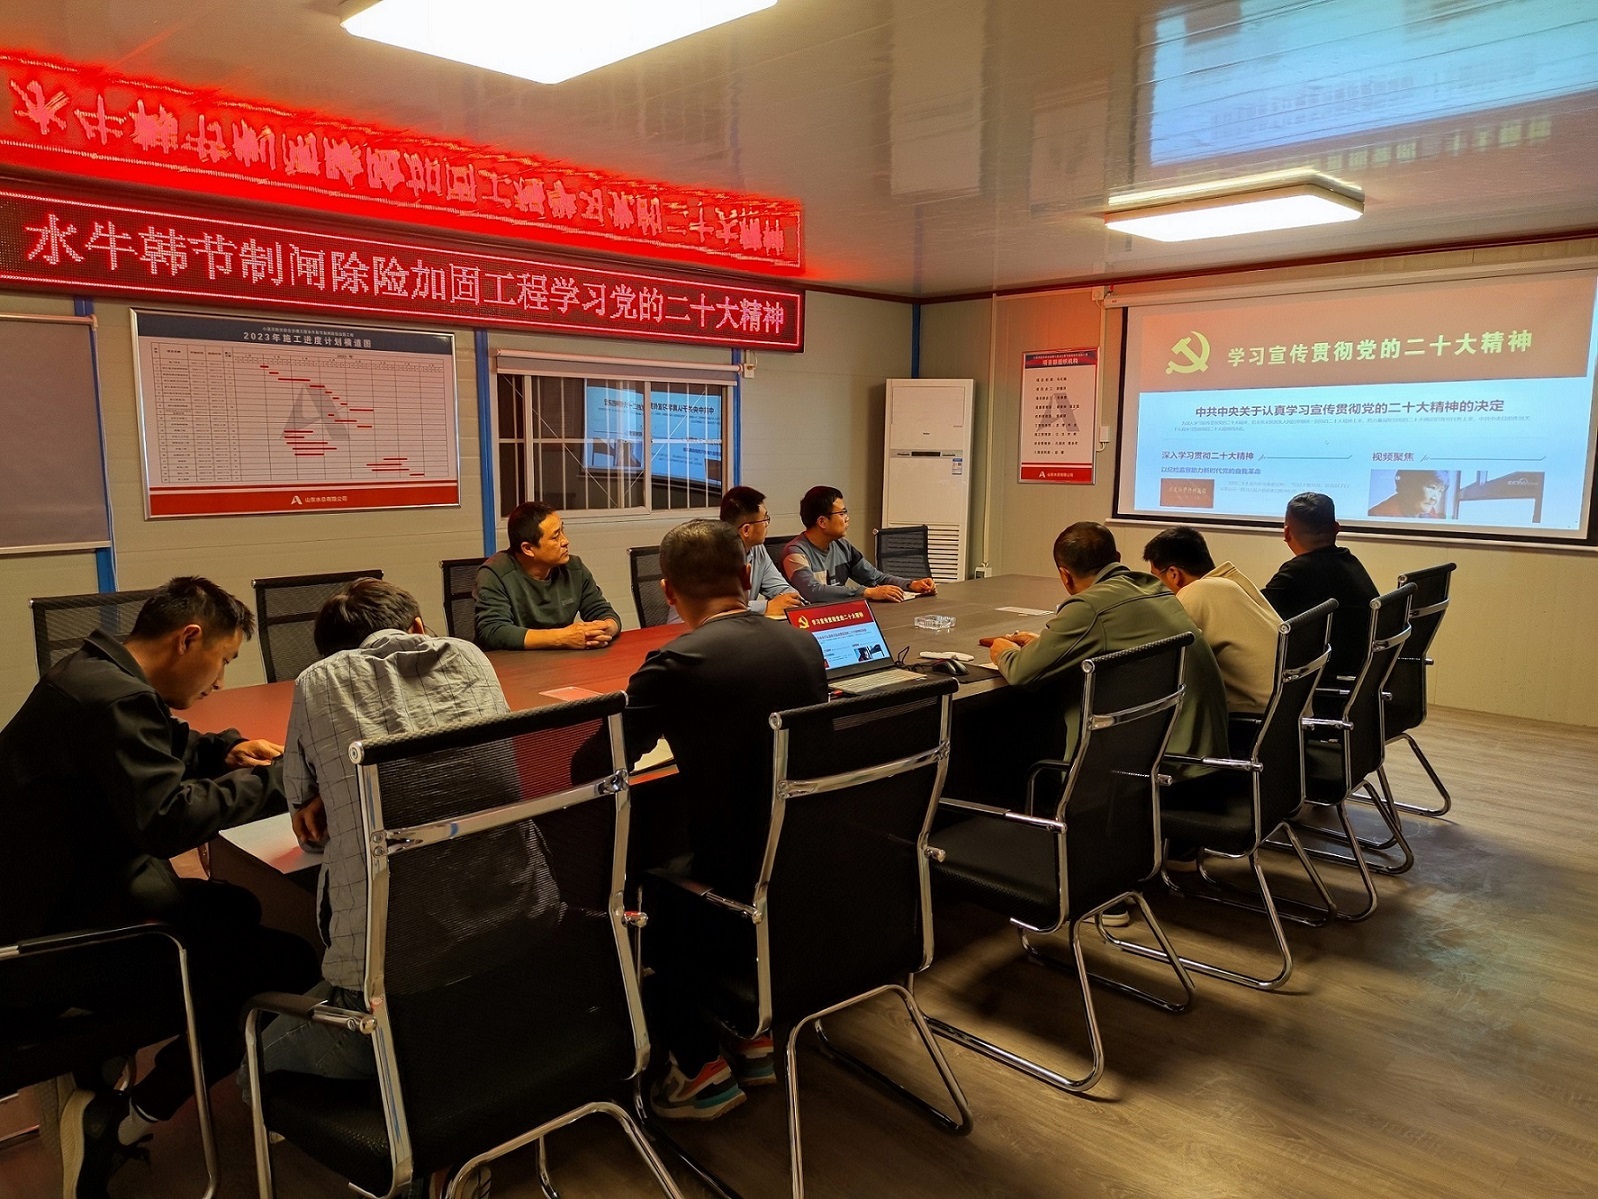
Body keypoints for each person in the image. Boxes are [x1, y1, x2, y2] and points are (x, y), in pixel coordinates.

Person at [0, 577, 317, 1198]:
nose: (220, 682)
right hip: (45, 952)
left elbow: (157, 743)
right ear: (188, 639)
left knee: (236, 906)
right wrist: (283, 781)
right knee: (285, 961)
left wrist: (226, 751)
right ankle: (121, 1120)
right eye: (223, 660)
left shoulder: (92, 676)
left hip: (54, 904)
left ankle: (105, 1065)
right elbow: (168, 819)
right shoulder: (113, 700)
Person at [256, 578, 548, 1198]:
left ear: (331, 652)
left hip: (394, 987)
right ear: (418, 627)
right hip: (521, 949)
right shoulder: (471, 657)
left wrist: (332, 797)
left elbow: (304, 818)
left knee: (250, 1053)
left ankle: (405, 1132)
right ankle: (444, 1106)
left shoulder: (319, 682)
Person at [619, 520, 827, 1120]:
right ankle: (753, 1034)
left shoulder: (676, 662)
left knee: (644, 888)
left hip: (730, 871)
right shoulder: (803, 643)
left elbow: (598, 762)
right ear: (744, 576)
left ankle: (698, 1067)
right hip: (797, 858)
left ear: (667, 590)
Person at [988, 522, 1229, 775]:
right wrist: (1048, 645)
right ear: (1117, 558)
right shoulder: (1153, 587)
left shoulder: (1089, 606)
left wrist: (1004, 650)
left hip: (1161, 768)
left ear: (1065, 575)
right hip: (1201, 757)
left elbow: (1022, 672)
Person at [1143, 526, 1281, 715]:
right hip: (1283, 710)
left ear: (1174, 574)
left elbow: (1161, 661)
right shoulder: (1231, 583)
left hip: (1254, 716)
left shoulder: (1194, 593)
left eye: (1155, 577)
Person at [1261, 492, 1379, 681]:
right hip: (1361, 674)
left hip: (1324, 677)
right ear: (1336, 528)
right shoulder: (1349, 560)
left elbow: (1255, 615)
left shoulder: (1297, 572)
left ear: (1287, 533)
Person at [475, 501, 621, 650]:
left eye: (562, 531)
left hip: (562, 659)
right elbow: (493, 631)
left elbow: (602, 611)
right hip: (512, 661)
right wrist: (562, 638)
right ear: (528, 548)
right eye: (555, 537)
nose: (565, 541)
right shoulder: (495, 573)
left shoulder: (574, 568)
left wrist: (606, 628)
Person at [780, 485, 936, 603]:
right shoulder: (794, 553)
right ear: (822, 521)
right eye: (842, 513)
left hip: (839, 615)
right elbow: (812, 592)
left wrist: (911, 584)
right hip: (807, 622)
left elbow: (876, 578)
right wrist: (866, 592)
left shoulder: (842, 546)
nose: (847, 518)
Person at [719, 484, 803, 617]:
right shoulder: (713, 555)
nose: (766, 524)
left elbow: (781, 587)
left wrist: (792, 599)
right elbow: (723, 608)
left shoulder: (758, 549)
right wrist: (766, 606)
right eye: (765, 519)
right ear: (746, 530)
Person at [1369, 469, 1449, 518]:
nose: (1434, 499)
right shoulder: (1377, 515)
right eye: (1432, 487)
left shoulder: (1430, 511)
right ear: (1408, 486)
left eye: (1440, 491)